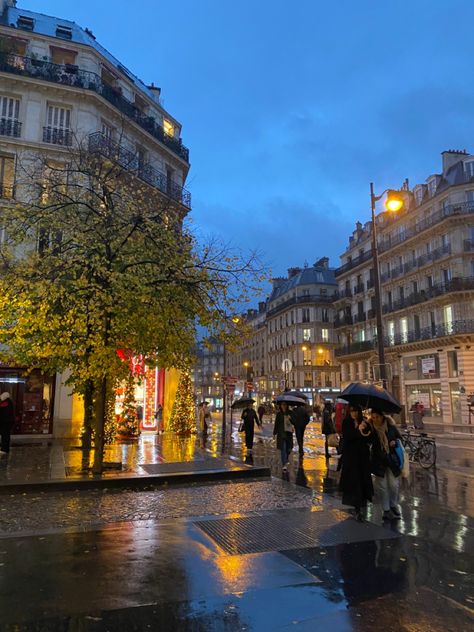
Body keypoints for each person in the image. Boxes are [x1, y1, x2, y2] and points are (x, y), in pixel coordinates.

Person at [339, 405, 373, 522]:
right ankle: (356, 507)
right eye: (352, 411)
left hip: (362, 457)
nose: (354, 413)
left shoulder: (364, 422)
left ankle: (361, 505)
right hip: (351, 458)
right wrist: (358, 430)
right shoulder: (346, 422)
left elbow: (369, 438)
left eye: (356, 411)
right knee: (354, 482)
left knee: (362, 481)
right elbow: (348, 437)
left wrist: (366, 428)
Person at [369, 407, 403, 521]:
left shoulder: (391, 427)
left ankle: (393, 504)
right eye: (373, 417)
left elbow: (399, 439)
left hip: (391, 460)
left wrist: (395, 442)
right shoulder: (371, 429)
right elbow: (366, 441)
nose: (375, 419)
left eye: (377, 417)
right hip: (378, 461)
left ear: (382, 417)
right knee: (382, 487)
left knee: (393, 485)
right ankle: (386, 509)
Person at [273, 401, 294, 472]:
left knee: (288, 448)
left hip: (288, 433)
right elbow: (276, 424)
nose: (283, 406)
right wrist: (274, 433)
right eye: (282, 405)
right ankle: (284, 464)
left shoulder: (290, 413)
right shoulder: (279, 414)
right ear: (280, 406)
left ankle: (286, 458)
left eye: (285, 404)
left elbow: (294, 422)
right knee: (283, 448)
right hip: (281, 433)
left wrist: (290, 419)